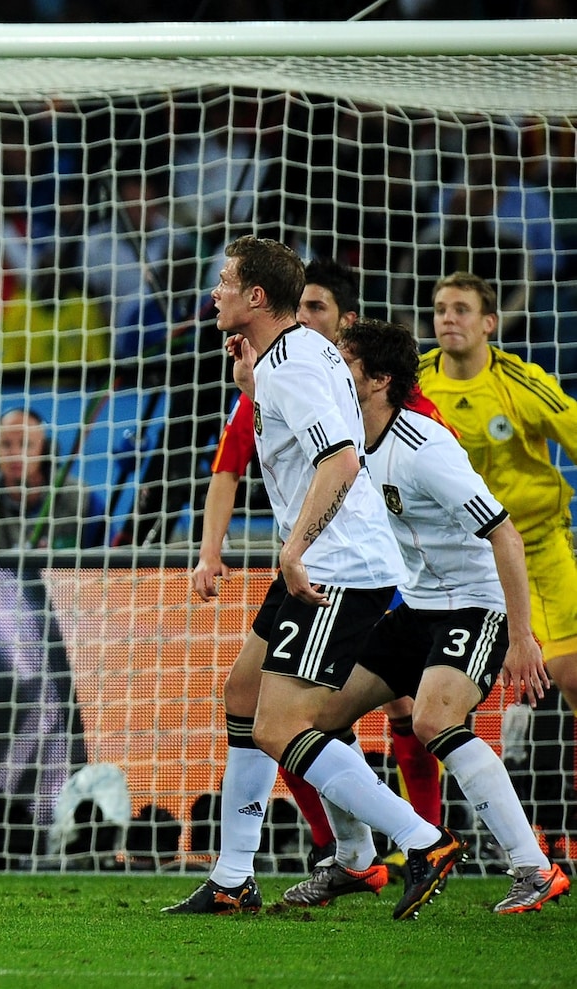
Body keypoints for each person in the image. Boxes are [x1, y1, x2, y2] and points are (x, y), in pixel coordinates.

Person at [165, 237, 456, 920]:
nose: (216, 293)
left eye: (225, 282)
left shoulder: (292, 366)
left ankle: (424, 840)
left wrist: (293, 551)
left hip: (335, 566)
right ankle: (235, 876)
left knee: (280, 724)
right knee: (243, 691)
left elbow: (341, 462)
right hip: (332, 557)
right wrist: (250, 387)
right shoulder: (297, 353)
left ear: (256, 297)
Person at [285, 318, 563, 915]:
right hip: (417, 607)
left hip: (475, 605)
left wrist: (520, 636)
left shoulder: (425, 448)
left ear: (380, 379)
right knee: (312, 719)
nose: (333, 366)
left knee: (436, 721)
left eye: (345, 360)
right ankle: (355, 860)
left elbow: (506, 537)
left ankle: (535, 869)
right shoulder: (350, 440)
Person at [419, 270, 577, 852]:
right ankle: (434, 834)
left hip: (535, 544)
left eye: (460, 309)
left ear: (489, 322)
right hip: (458, 559)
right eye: (439, 309)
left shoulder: (519, 381)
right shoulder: (417, 385)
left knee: (570, 675)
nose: (447, 318)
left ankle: (555, 830)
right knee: (422, 701)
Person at [0, 407, 105, 550]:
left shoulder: (82, 499)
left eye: (26, 444)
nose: (15, 454)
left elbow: (110, 564)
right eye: (5, 444)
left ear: (45, 450)